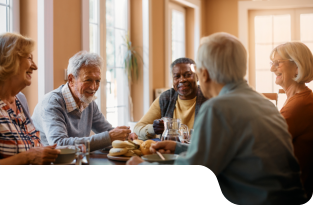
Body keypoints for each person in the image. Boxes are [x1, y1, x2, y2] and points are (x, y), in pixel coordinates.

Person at [127, 32, 308, 205]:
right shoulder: (265, 103)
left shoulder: (217, 108)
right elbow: (225, 153)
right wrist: (178, 146)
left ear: (203, 74)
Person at [32, 51, 137, 152]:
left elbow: (107, 131)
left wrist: (125, 136)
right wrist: (109, 137)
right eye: (88, 80)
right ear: (71, 79)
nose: (93, 87)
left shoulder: (88, 102)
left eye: (97, 81)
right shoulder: (52, 103)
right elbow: (59, 144)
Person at [0, 33, 61, 165]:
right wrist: (27, 158)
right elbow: (27, 156)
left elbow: (30, 148)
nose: (35, 66)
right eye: (29, 58)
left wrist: (43, 152)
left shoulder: (20, 99)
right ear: (9, 60)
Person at [270, 42, 313, 202]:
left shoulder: (299, 104)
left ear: (297, 67)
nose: (272, 69)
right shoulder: (298, 98)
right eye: (272, 64)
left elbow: (266, 145)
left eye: (277, 63)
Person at [134, 58, 207, 140]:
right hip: (169, 152)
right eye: (177, 76)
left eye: (188, 75)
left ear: (197, 76)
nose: (182, 80)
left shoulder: (208, 97)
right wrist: (153, 129)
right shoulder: (166, 98)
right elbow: (137, 129)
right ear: (173, 80)